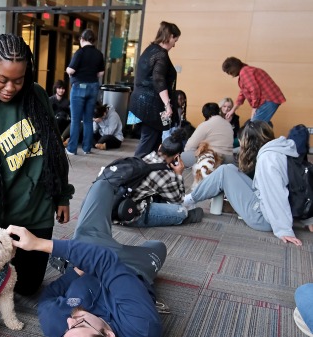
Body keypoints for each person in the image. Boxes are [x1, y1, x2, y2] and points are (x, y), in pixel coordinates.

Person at [0, 33, 74, 296]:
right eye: (2, 79)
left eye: (18, 80)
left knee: (29, 289)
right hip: (3, 221)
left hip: (39, 213)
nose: (10, 87)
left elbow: (54, 149)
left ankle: (53, 254)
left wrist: (62, 195)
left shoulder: (38, 96)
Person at [7, 219, 166, 337]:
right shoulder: (142, 328)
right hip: (131, 267)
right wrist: (39, 244)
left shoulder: (55, 323)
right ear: (109, 335)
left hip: (87, 261)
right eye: (79, 324)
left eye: (67, 331)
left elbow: (47, 297)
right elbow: (105, 262)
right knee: (159, 245)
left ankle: (75, 256)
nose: (69, 321)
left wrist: (73, 274)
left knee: (90, 225)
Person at [183, 120, 313, 245]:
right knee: (229, 169)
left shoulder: (267, 159)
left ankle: (188, 200)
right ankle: (190, 199)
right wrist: (308, 219)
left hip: (263, 218)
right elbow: (300, 184)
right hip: (271, 208)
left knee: (223, 172)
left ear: (250, 142)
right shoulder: (281, 148)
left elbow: (276, 195)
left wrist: (284, 229)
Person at [120, 129, 203, 227]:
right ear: (177, 156)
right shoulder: (166, 175)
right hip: (132, 215)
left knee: (162, 195)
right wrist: (179, 175)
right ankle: (182, 218)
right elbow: (179, 201)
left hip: (121, 204)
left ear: (160, 147)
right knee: (182, 212)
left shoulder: (147, 156)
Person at [129, 21, 181, 158]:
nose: (175, 44)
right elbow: (158, 80)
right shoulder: (161, 54)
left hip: (141, 102)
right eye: (175, 40)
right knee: (148, 143)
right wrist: (167, 105)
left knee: (152, 141)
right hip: (151, 105)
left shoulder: (150, 50)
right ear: (169, 36)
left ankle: (145, 172)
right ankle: (133, 173)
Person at [65, 29, 105, 155]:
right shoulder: (98, 54)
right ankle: (87, 148)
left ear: (82, 39)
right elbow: (101, 73)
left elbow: (71, 70)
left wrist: (67, 69)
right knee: (88, 119)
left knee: (76, 120)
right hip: (93, 87)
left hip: (79, 87)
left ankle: (72, 149)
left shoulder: (80, 52)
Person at [221, 57, 285, 124]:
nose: (229, 74)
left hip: (268, 100)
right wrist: (233, 110)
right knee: (258, 125)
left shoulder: (245, 72)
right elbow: (242, 93)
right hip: (270, 99)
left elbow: (254, 90)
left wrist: (255, 107)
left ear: (233, 68)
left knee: (254, 126)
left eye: (228, 71)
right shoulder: (247, 70)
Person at [181, 102, 234, 167]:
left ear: (205, 114)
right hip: (230, 160)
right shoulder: (228, 124)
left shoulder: (205, 124)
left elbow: (189, 147)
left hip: (214, 160)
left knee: (183, 155)